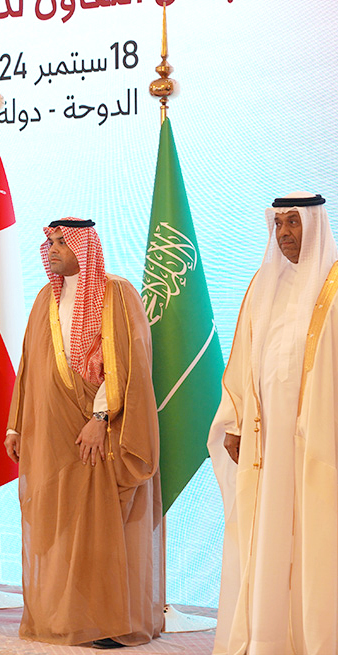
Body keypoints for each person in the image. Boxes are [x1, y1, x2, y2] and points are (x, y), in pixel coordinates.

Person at [4, 218, 162, 648]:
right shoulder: (43, 300)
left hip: (100, 434)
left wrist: (101, 418)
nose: (52, 249)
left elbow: (130, 364)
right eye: (49, 242)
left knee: (104, 527)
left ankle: (111, 621)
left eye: (61, 242)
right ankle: (67, 616)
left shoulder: (117, 294)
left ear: (84, 246)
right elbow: (29, 367)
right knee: (65, 527)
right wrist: (17, 424)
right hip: (51, 435)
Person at [209, 192, 338, 655]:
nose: (284, 233)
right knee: (265, 536)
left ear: (315, 225)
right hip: (265, 448)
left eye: (293, 223)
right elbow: (244, 361)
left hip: (318, 446)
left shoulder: (334, 288)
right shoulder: (261, 287)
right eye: (278, 223)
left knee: (314, 538)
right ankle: (265, 639)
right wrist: (236, 421)